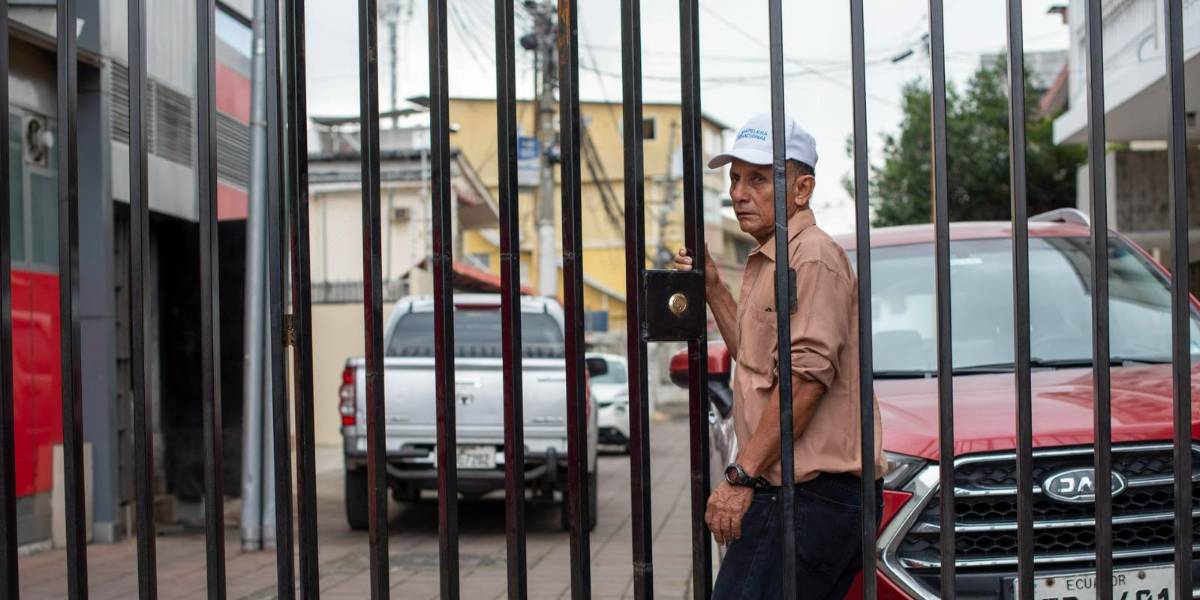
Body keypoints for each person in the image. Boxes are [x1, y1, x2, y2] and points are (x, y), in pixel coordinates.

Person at [674, 113, 887, 599]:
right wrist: (713, 292)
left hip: (810, 494)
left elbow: (806, 380)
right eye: (733, 179)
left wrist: (739, 477)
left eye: (757, 179)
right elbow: (757, 361)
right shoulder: (773, 258)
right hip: (801, 494)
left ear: (802, 188)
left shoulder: (809, 257)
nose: (738, 193)